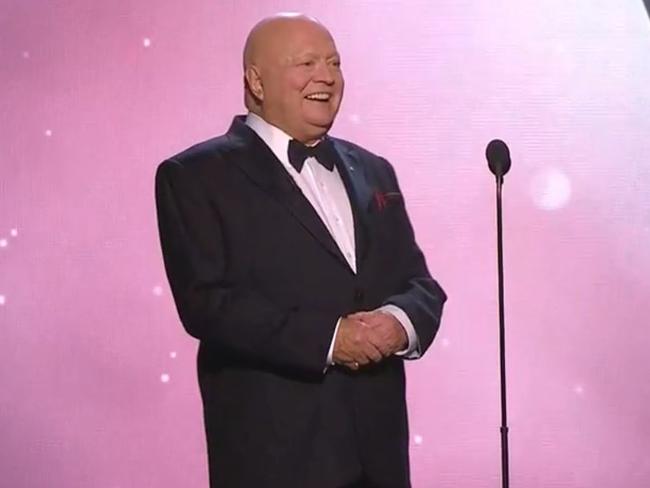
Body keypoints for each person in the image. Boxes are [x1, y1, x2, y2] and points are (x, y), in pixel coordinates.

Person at [155, 13, 447, 488]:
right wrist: (331, 340)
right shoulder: (196, 176)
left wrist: (400, 323)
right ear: (256, 80)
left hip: (380, 457)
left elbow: (419, 284)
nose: (326, 76)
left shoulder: (375, 170)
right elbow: (208, 305)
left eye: (334, 62)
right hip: (276, 458)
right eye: (306, 62)